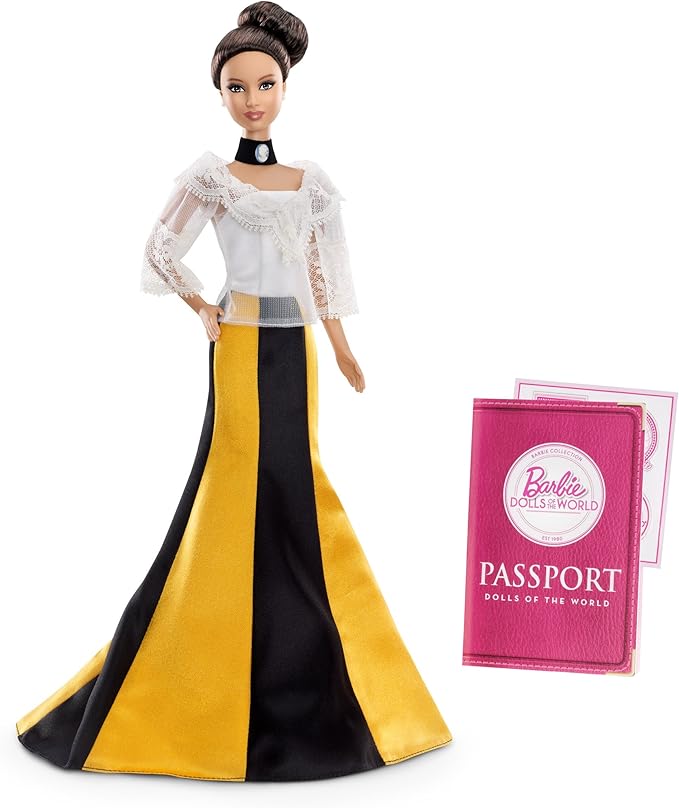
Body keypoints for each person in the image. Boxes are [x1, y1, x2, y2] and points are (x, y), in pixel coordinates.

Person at [16, 1, 453, 782]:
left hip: (296, 350)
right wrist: (199, 306)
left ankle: (314, 661)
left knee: (296, 484)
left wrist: (341, 347)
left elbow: (323, 272)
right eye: (236, 87)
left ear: (286, 86)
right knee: (236, 487)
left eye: (265, 84)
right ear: (218, 93)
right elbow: (159, 249)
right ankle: (207, 656)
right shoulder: (212, 179)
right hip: (239, 345)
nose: (252, 99)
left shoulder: (310, 181)